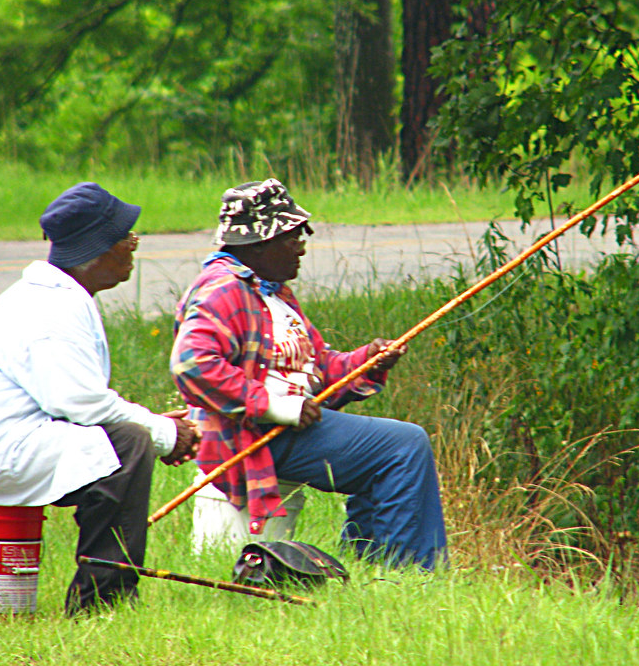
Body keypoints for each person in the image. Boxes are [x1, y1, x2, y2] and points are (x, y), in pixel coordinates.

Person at [0, 182, 201, 615]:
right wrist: (165, 433)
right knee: (129, 445)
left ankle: (103, 596)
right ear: (99, 248)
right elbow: (83, 406)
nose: (134, 247)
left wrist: (153, 425)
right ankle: (103, 605)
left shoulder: (55, 297)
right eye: (128, 238)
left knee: (127, 437)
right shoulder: (51, 310)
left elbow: (74, 401)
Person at [169, 178, 447, 570]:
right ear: (259, 243)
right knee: (403, 446)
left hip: (281, 431)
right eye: (294, 233)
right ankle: (409, 575)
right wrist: (277, 408)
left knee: (387, 454)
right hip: (252, 435)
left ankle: (371, 568)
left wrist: (366, 360)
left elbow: (315, 369)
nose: (303, 243)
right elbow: (192, 365)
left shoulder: (272, 292)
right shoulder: (222, 290)